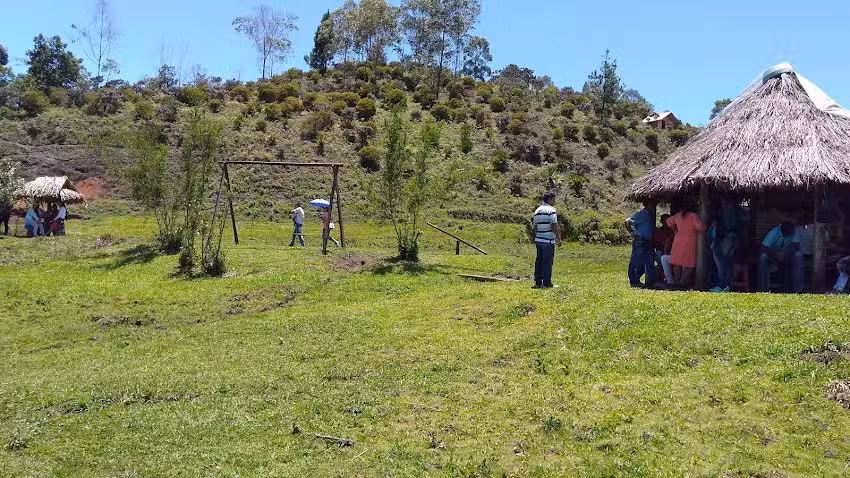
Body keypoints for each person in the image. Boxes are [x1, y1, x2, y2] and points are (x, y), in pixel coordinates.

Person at [666, 203, 706, 288]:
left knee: (677, 262)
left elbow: (668, 221)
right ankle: (682, 281)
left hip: (678, 240)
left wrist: (675, 230)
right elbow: (701, 227)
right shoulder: (693, 216)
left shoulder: (678, 215)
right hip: (690, 241)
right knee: (688, 263)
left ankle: (677, 282)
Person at [758, 221, 803, 292]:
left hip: (788, 257)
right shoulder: (773, 232)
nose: (789, 236)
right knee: (762, 256)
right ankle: (763, 290)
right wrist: (774, 258)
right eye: (787, 234)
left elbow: (797, 248)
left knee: (798, 255)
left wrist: (785, 253)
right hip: (773, 257)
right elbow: (763, 249)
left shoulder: (794, 231)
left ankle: (796, 290)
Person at [532, 191, 562, 289]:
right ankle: (547, 283)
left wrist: (538, 235)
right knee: (548, 262)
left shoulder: (537, 210)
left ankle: (538, 282)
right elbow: (554, 224)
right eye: (553, 199)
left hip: (539, 239)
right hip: (548, 240)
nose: (554, 202)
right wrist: (558, 238)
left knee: (539, 261)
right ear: (549, 199)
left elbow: (535, 226)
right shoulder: (551, 210)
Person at [625, 200, 656, 288]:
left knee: (647, 261)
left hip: (647, 241)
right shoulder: (643, 213)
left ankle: (645, 281)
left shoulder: (650, 215)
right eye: (652, 203)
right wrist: (632, 233)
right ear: (646, 204)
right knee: (636, 261)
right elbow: (627, 221)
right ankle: (633, 281)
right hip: (640, 240)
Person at [710, 198, 739, 292]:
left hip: (726, 239)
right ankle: (724, 285)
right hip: (725, 239)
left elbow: (730, 227)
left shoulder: (728, 211)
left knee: (722, 263)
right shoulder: (726, 211)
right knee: (723, 263)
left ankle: (723, 285)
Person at [653, 213, 675, 286]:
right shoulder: (658, 231)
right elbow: (656, 243)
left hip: (673, 251)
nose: (666, 222)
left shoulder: (673, 231)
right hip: (662, 251)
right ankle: (664, 276)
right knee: (659, 255)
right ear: (661, 221)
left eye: (667, 220)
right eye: (664, 220)